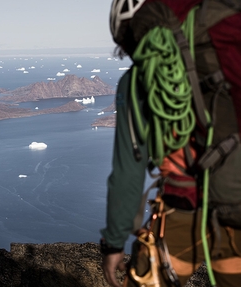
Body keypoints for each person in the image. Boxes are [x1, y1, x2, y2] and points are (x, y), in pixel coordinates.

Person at [100, 1, 241, 286]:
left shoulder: (139, 80)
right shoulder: (228, 37)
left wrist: (114, 244)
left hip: (187, 209)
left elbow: (128, 172)